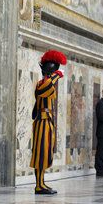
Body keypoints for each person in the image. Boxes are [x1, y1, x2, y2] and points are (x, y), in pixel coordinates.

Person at [30, 50, 67, 194]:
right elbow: (44, 89)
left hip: (47, 122)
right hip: (42, 122)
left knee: (45, 154)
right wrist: (56, 75)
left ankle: (42, 183)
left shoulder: (47, 82)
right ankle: (38, 185)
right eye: (54, 71)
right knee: (40, 153)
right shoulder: (42, 83)